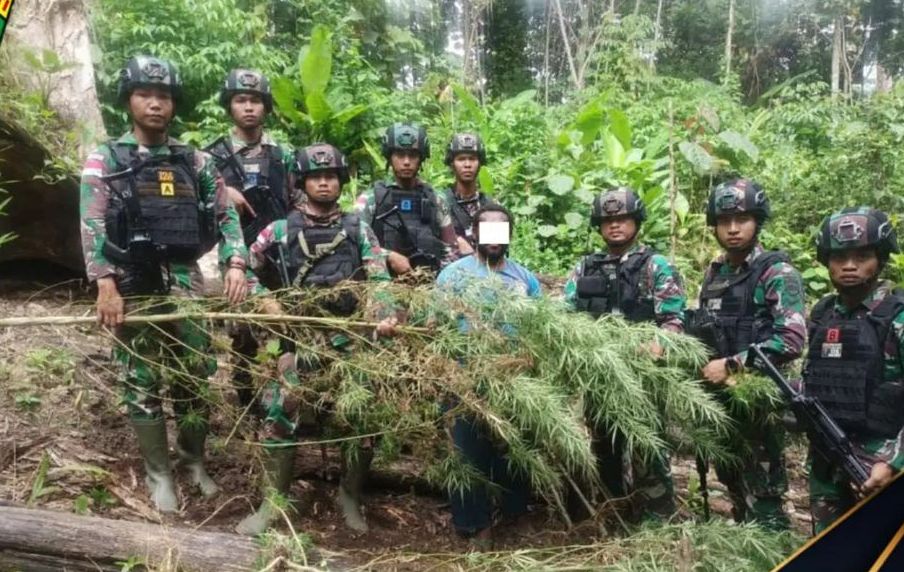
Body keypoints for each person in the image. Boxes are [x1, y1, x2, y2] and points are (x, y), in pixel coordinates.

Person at [79, 55, 248, 513]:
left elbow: (226, 215)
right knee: (142, 378)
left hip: (185, 280)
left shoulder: (195, 160)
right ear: (128, 101)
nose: (155, 104)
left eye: (164, 96)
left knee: (195, 374)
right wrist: (105, 285)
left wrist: (236, 264)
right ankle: (160, 475)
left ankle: (194, 462)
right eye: (144, 95)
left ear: (173, 104)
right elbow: (92, 225)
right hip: (133, 284)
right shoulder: (105, 159)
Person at [236, 143, 399, 535]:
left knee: (360, 417)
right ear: (303, 181)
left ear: (340, 182)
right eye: (315, 176)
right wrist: (265, 302)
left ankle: (349, 497)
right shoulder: (279, 229)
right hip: (300, 340)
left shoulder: (358, 227)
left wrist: (383, 314)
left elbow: (377, 276)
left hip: (348, 340)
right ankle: (272, 504)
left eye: (331, 176)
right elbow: (242, 266)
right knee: (279, 414)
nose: (324, 182)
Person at [563, 187, 686, 520]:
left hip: (643, 377)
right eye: (607, 220)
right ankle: (614, 517)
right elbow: (564, 315)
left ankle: (657, 525)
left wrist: (659, 344)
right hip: (601, 376)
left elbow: (674, 319)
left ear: (636, 221)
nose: (614, 226)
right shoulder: (586, 267)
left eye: (622, 219)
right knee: (605, 448)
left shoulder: (655, 266)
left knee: (649, 453)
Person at [691, 178, 806, 530]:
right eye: (724, 221)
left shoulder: (776, 272)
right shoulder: (715, 272)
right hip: (720, 401)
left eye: (742, 220)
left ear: (758, 221)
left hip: (757, 400)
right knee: (732, 479)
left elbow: (791, 338)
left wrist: (731, 365)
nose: (733, 228)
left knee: (764, 494)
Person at [436, 204, 541, 547]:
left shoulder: (524, 279)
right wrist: (448, 371)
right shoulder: (452, 276)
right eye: (487, 230)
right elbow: (434, 327)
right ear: (475, 235)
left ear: (509, 236)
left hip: (513, 381)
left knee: (515, 451)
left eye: (502, 230)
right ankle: (475, 526)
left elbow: (541, 331)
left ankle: (515, 513)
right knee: (467, 453)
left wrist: (527, 360)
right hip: (463, 379)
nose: (494, 238)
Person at [803, 207, 903, 533]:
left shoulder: (897, 318)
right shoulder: (823, 314)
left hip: (881, 463)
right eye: (838, 256)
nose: (848, 265)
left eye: (862, 255)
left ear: (881, 257)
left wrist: (892, 462)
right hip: (826, 460)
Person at [204, 68, 296, 409]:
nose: (248, 107)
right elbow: (197, 201)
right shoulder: (211, 156)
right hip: (236, 251)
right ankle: (245, 398)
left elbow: (297, 200)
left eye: (255, 100)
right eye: (240, 100)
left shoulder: (282, 155)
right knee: (240, 329)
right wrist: (224, 191)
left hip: (279, 251)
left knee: (287, 320)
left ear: (266, 107)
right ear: (230, 106)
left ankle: (289, 395)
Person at [355, 123, 459, 275]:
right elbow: (355, 243)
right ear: (389, 158)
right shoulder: (370, 199)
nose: (406, 162)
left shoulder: (436, 199)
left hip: (428, 285)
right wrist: (388, 256)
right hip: (384, 286)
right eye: (399, 155)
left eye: (413, 155)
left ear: (421, 159)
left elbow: (452, 250)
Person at [442, 132, 496, 255]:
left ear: (479, 163)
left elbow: (499, 252)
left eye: (472, 159)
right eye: (461, 159)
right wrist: (456, 240)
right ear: (452, 164)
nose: (467, 165)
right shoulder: (439, 202)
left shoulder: (491, 206)